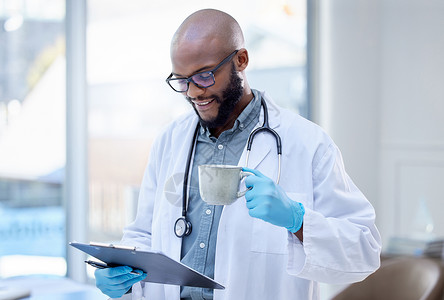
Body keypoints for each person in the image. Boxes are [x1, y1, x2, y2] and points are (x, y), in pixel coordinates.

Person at [94, 8, 381, 300]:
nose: (193, 93)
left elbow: (364, 252)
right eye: (182, 81)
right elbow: (143, 233)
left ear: (241, 60)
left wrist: (298, 220)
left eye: (204, 76)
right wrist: (122, 275)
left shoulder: (308, 144)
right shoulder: (170, 140)